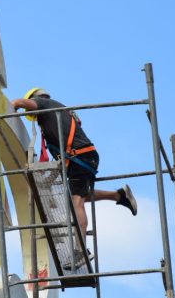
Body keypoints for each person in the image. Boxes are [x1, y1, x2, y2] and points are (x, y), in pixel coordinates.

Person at [12, 88, 137, 254]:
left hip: (81, 158)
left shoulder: (45, 104)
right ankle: (119, 195)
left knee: (75, 202)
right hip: (83, 157)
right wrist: (48, 181)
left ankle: (80, 248)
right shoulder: (54, 118)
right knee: (81, 195)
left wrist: (8, 111)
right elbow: (62, 160)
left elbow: (18, 102)